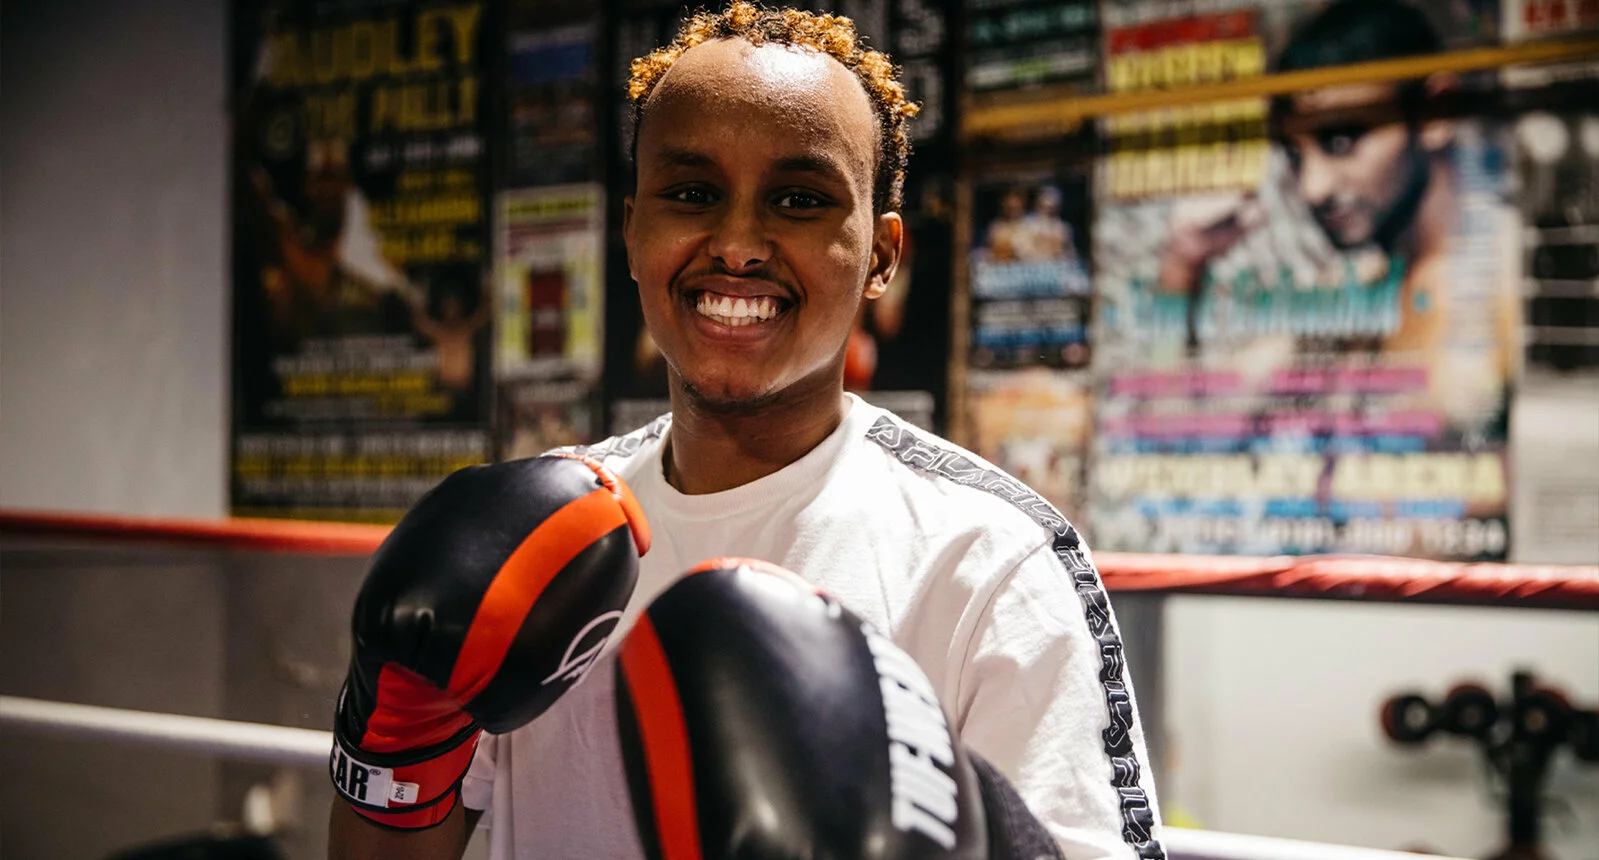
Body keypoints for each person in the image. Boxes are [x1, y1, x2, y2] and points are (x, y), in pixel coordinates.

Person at [329, 4, 1162, 858]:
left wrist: (957, 818)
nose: (734, 243)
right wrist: (392, 731)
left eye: (799, 200)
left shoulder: (987, 562)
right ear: (631, 231)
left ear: (880, 255)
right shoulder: (540, 543)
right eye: (691, 193)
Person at [1156, 0, 1518, 424]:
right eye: (1295, 155)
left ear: (1435, 114)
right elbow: (1179, 418)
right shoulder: (1360, 300)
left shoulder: (1510, 289)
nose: (1313, 187)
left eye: (1342, 141)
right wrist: (1182, 267)